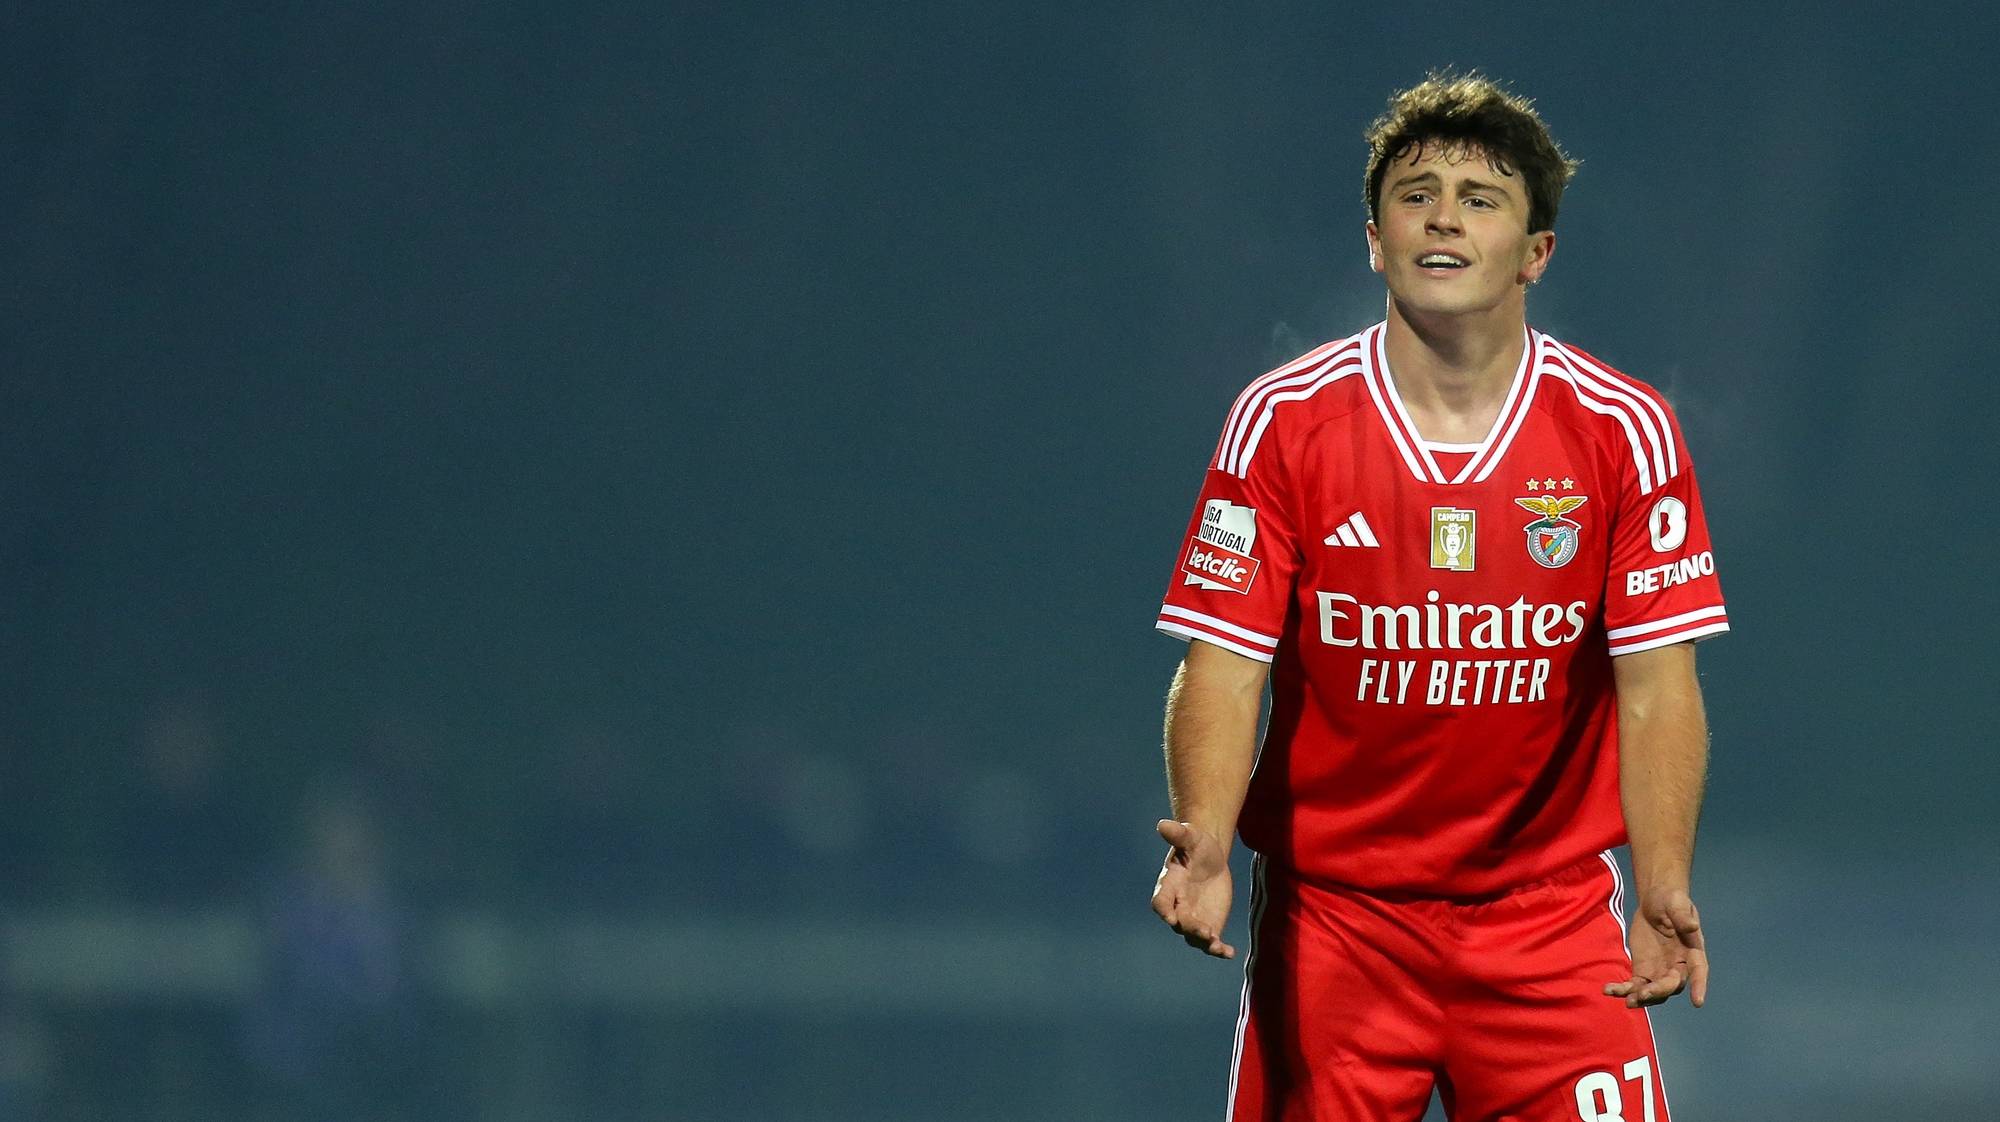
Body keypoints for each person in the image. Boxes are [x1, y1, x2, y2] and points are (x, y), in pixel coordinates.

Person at [1147, 72, 1727, 1122]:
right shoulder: (1282, 424)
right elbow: (1223, 664)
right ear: (1374, 239)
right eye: (1415, 193)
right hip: (1337, 927)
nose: (1443, 216)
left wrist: (1661, 883)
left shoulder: (1620, 430)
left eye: (1479, 196)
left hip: (1545, 927)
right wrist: (1205, 834)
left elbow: (1653, 684)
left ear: (1535, 253)